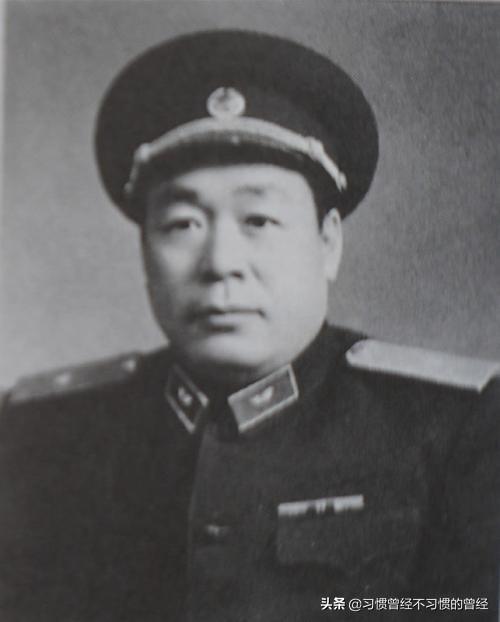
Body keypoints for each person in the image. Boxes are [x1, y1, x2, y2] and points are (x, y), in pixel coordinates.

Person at [0, 30, 498, 622]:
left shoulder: (456, 428)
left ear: (328, 243)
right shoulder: (38, 433)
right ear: (144, 251)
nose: (220, 262)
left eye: (258, 219)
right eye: (182, 225)